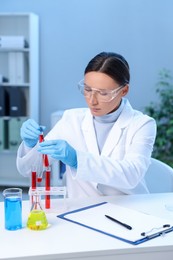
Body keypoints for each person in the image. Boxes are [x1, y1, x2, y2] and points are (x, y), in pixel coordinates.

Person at [16, 51, 157, 198]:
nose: (92, 100)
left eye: (103, 93)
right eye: (87, 90)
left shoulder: (142, 124)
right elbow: (32, 170)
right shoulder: (71, 120)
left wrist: (77, 160)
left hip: (129, 208)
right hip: (81, 210)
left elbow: (131, 174)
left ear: (124, 90)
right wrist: (30, 146)